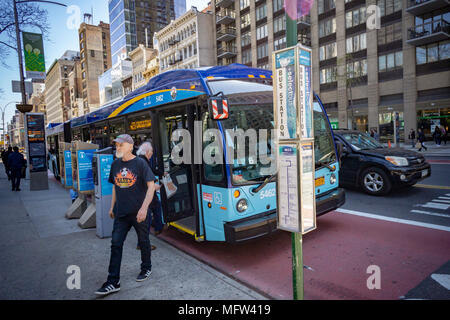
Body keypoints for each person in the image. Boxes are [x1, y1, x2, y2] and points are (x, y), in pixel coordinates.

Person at [95, 134, 156, 296]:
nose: (118, 147)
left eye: (121, 145)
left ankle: (146, 267)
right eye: (116, 145)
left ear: (130, 145)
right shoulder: (115, 165)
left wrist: (144, 209)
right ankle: (113, 281)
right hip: (121, 213)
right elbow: (115, 187)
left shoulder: (141, 163)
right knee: (116, 244)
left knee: (143, 241)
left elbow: (151, 187)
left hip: (139, 213)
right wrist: (111, 207)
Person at [136, 142, 164, 251]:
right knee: (145, 220)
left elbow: (150, 171)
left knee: (156, 206)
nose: (152, 153)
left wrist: (160, 174)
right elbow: (144, 178)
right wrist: (153, 185)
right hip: (145, 194)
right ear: (147, 152)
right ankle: (142, 244)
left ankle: (158, 227)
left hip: (143, 194)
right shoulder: (143, 161)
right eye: (151, 151)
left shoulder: (140, 160)